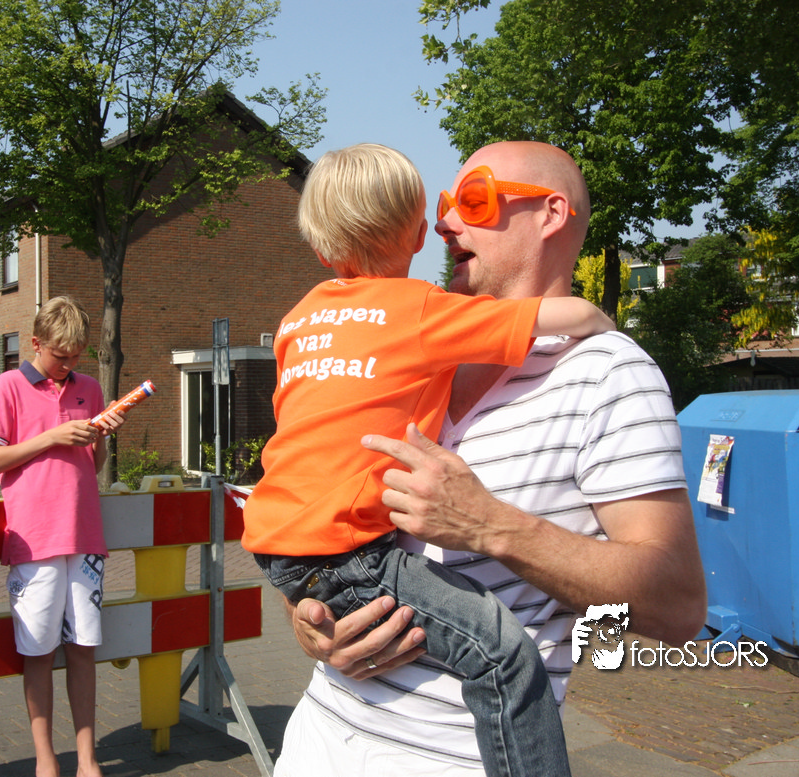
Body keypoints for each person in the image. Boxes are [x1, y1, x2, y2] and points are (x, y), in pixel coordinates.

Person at [277, 141, 707, 775]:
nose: (446, 223)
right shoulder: (408, 343)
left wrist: (488, 525)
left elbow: (678, 606)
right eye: (444, 206)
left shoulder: (607, 371)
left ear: (551, 214)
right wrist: (311, 616)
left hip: (461, 757)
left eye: (474, 200)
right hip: (318, 739)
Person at [0, 296, 125, 777]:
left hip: (83, 536)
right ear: (35, 343)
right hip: (34, 538)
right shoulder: (6, 387)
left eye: (76, 356)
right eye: (60, 355)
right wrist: (51, 438)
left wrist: (101, 437)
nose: (68, 365)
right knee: (37, 653)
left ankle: (87, 759)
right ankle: (46, 760)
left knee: (83, 650)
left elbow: (93, 466)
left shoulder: (90, 388)